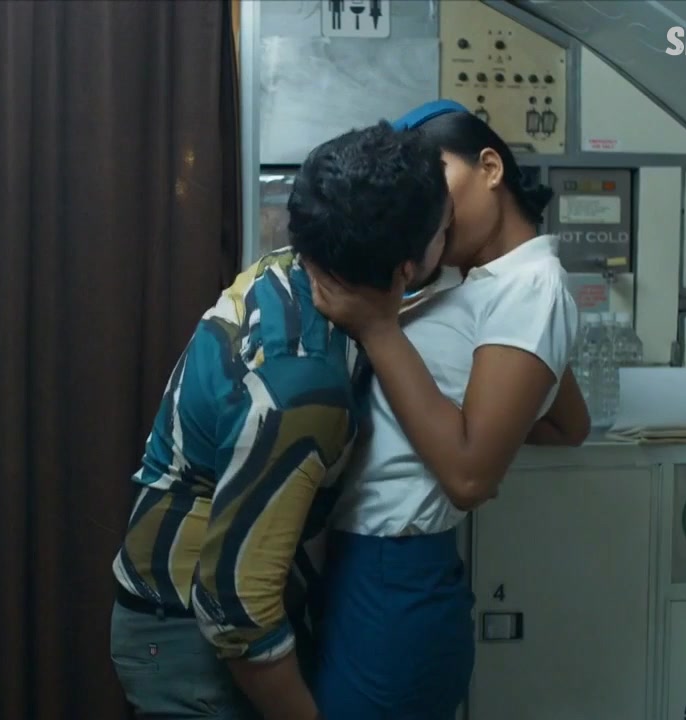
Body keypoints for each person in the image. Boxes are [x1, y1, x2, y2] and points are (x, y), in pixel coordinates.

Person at [109, 121, 453, 720]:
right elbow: (235, 610)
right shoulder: (304, 387)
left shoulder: (294, 268)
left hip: (189, 607)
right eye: (445, 230)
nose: (453, 237)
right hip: (189, 633)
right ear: (405, 266)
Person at [307, 100, 591, 719]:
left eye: (436, 188)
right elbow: (568, 423)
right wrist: (485, 426)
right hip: (370, 564)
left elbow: (469, 478)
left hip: (395, 573)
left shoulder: (531, 287)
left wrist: (379, 329)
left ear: (490, 167)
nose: (425, 212)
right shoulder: (481, 284)